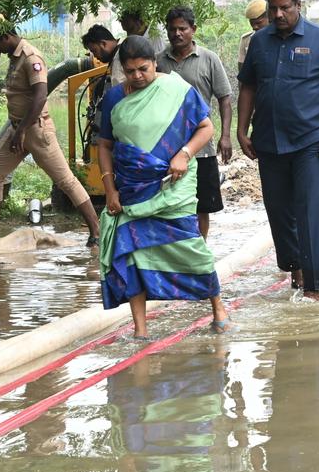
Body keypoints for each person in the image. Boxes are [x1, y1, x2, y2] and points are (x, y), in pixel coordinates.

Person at [96, 36, 233, 338]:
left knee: (191, 246)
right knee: (132, 253)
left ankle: (218, 308)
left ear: (155, 63)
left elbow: (206, 127)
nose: (137, 76)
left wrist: (184, 154)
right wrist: (109, 188)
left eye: (143, 69)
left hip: (172, 187)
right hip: (132, 189)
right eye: (130, 71)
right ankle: (140, 330)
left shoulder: (177, 90)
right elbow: (105, 145)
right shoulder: (114, 98)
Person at [237, 0, 319, 301]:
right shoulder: (259, 42)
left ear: (298, 6)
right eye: (273, 8)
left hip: (313, 144)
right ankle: (296, 269)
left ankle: (315, 289)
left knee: (312, 211)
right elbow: (248, 86)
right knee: (278, 211)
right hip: (269, 142)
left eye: (285, 7)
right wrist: (241, 130)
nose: (278, 14)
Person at [0, 28, 99, 245]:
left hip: (35, 129)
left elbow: (40, 96)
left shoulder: (31, 57)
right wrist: (17, 131)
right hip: (17, 128)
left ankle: (96, 232)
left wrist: (22, 131)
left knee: (65, 181)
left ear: (6, 37)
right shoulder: (14, 58)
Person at [156, 6, 233, 239]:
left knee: (202, 206)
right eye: (172, 29)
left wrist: (225, 136)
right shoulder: (159, 61)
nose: (177, 34)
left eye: (183, 28)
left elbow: (224, 98)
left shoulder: (209, 59)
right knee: (168, 203)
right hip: (166, 146)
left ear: (193, 29)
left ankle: (201, 248)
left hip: (202, 147)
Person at [238, 0, 268, 72]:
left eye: (258, 23)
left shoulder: (280, 37)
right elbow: (242, 69)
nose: (254, 27)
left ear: (269, 17)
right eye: (252, 23)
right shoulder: (246, 40)